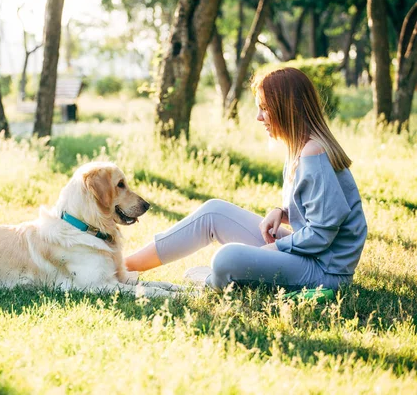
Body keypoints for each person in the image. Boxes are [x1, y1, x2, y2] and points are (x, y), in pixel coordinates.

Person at [125, 67, 368, 291]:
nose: (259, 117)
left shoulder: (314, 152)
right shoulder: (299, 148)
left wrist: (275, 248)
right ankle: (123, 267)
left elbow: (322, 234)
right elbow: (320, 207)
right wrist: (281, 212)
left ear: (287, 108)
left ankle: (211, 281)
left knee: (226, 258)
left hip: (324, 271)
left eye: (264, 108)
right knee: (214, 212)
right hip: (308, 255)